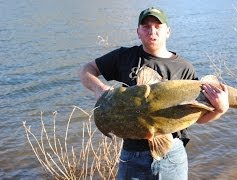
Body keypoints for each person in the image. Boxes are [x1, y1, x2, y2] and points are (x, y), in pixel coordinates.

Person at [79, 7, 229, 180]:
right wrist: (100, 89)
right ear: (138, 32)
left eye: (158, 26)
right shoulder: (124, 57)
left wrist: (219, 109)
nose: (152, 31)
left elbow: (199, 117)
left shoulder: (184, 68)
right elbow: (86, 70)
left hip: (172, 155)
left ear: (168, 31)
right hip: (131, 154)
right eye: (146, 26)